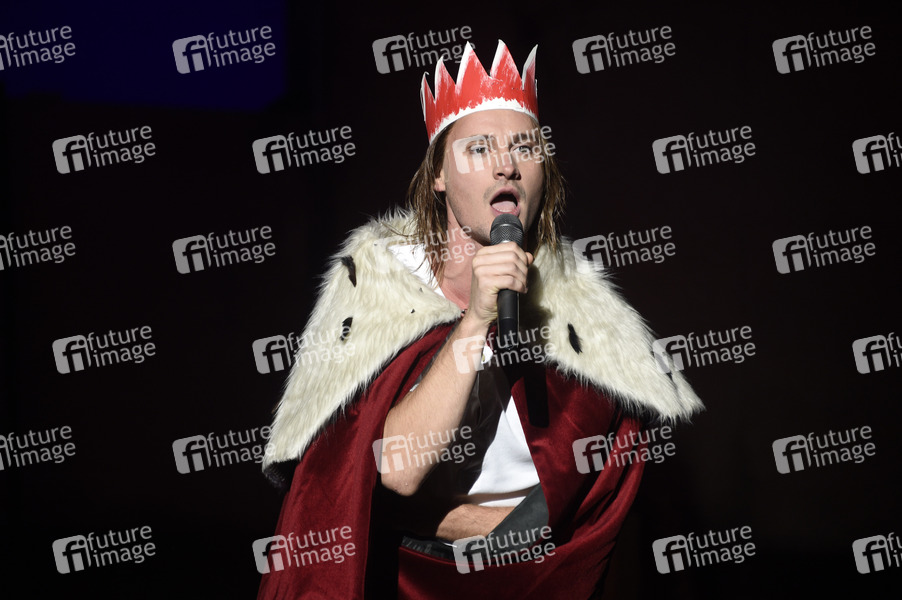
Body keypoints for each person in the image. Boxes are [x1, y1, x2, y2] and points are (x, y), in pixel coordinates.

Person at [258, 40, 702, 599]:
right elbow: (387, 472)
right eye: (478, 147)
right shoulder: (373, 289)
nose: (506, 163)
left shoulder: (587, 328)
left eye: (525, 147)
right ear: (439, 175)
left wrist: (463, 525)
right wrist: (474, 322)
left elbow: (582, 512)